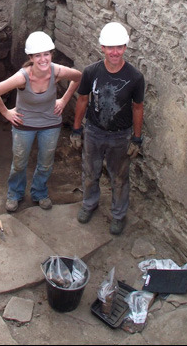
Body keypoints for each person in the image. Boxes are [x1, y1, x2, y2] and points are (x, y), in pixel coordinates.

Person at [0, 31, 82, 212]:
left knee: (46, 162)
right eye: (38, 55)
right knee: (20, 162)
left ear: (51, 54)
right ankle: (15, 194)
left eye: (46, 54)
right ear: (31, 57)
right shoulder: (23, 77)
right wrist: (7, 113)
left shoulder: (56, 71)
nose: (43, 59)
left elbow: (78, 76)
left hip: (50, 123)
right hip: (24, 125)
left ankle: (39, 192)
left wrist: (63, 100)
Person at [70, 22, 144, 235]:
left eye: (119, 47)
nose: (114, 52)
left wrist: (136, 139)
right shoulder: (92, 72)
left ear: (125, 48)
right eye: (110, 47)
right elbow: (83, 99)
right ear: (102, 47)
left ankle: (118, 215)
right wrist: (77, 129)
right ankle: (89, 204)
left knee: (119, 178)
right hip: (94, 131)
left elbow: (138, 108)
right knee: (90, 172)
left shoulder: (135, 77)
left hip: (120, 136)